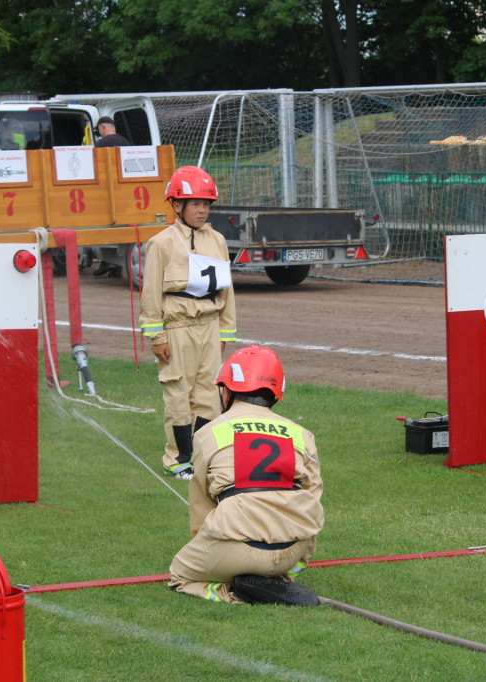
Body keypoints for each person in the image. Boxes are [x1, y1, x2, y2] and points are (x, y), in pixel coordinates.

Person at [168, 346, 323, 605]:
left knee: (180, 576)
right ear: (275, 395)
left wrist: (206, 547)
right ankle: (277, 583)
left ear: (227, 391)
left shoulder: (210, 432)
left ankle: (235, 594)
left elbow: (201, 504)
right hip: (291, 553)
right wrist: (297, 564)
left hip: (235, 550)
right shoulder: (301, 434)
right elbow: (313, 499)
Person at [139, 166, 237, 480]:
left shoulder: (218, 240)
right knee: (179, 394)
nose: (202, 210)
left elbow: (227, 289)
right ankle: (179, 460)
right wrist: (157, 336)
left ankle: (203, 458)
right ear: (177, 206)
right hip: (177, 329)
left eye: (206, 204)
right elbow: (151, 293)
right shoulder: (161, 243)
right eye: (195, 203)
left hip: (209, 327)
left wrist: (226, 331)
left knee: (209, 396)